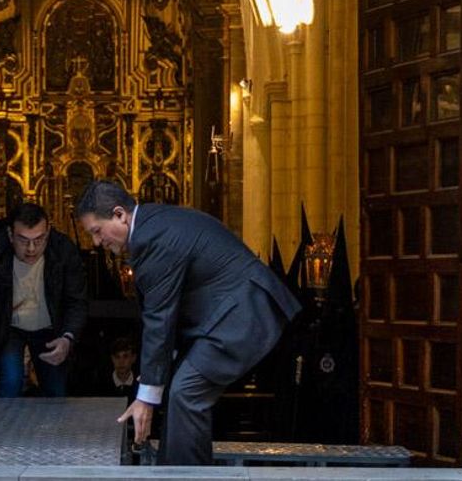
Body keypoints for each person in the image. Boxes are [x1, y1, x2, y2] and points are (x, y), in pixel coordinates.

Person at [75, 180, 300, 465]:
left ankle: (183, 474)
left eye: (97, 231)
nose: (97, 242)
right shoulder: (152, 224)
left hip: (241, 315)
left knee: (186, 392)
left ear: (120, 214)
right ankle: (175, 469)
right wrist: (154, 377)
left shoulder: (151, 239)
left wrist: (145, 399)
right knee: (181, 391)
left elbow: (160, 317)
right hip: (225, 316)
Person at [0, 202, 87, 398]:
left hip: (50, 329)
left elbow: (76, 302)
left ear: (47, 233)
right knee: (10, 382)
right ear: (10, 235)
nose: (31, 249)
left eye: (39, 240)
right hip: (10, 328)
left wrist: (68, 338)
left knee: (56, 391)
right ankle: (5, 427)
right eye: (23, 241)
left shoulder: (64, 251)